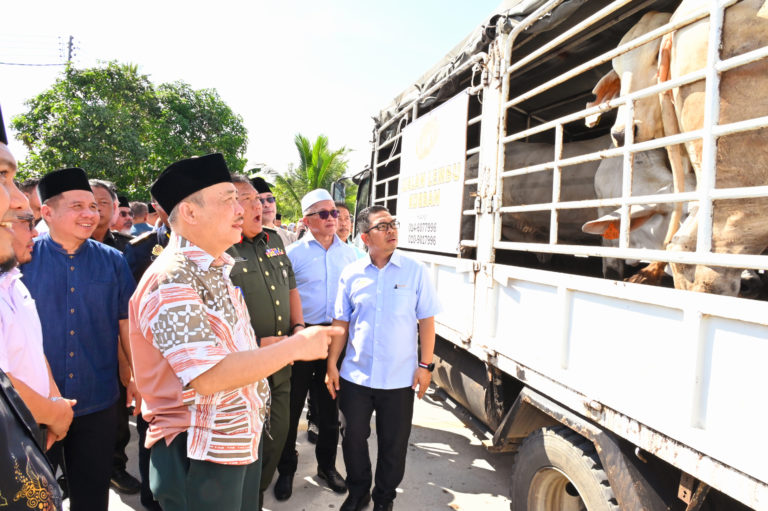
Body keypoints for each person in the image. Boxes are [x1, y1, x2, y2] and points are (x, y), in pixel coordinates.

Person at [128, 153, 341, 511]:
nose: (241, 209)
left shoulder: (214, 268)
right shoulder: (172, 279)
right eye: (229, 200)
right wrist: (296, 346)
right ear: (190, 212)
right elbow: (208, 377)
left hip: (235, 441)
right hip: (199, 451)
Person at [20, 167, 139, 511]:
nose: (90, 214)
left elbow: (126, 323)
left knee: (92, 496)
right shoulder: (22, 260)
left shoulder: (113, 261)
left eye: (93, 207)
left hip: (98, 400)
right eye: (78, 206)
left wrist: (134, 375)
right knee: (32, 499)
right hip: (36, 404)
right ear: (47, 212)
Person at [326, 205, 441, 511]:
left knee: (393, 445)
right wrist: (331, 364)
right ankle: (358, 491)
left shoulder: (415, 271)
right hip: (356, 375)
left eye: (393, 224)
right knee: (352, 437)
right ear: (365, 237)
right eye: (383, 226)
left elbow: (427, 321)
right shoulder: (351, 274)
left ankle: (383, 499)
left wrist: (425, 366)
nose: (392, 230)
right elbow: (341, 323)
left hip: (399, 378)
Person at [225, 174, 304, 510]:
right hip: (242, 370)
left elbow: (290, 286)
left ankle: (256, 492)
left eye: (259, 199)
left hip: (281, 365)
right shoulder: (222, 248)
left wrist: (298, 327)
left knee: (277, 436)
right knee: (246, 444)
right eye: (248, 199)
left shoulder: (274, 240)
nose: (258, 206)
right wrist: (256, 342)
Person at [274, 189, 357, 502]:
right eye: (323, 214)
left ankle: (326, 467)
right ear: (307, 220)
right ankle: (286, 469)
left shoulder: (350, 255)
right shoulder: (292, 254)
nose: (332, 219)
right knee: (291, 408)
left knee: (329, 409)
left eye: (334, 212)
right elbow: (282, 298)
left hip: (335, 338)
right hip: (301, 336)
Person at [123, 198, 171, 511]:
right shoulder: (141, 249)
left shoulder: (215, 245)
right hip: (154, 363)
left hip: (199, 367)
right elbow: (126, 317)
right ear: (157, 206)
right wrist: (133, 374)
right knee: (152, 438)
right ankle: (151, 501)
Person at [90, 179, 133, 252]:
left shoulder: (130, 246)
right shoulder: (71, 244)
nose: (98, 208)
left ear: (114, 207)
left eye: (103, 202)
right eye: (92, 203)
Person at [252, 177, 296, 247]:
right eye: (260, 200)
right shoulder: (246, 240)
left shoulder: (291, 238)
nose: (266, 205)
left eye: (270, 199)